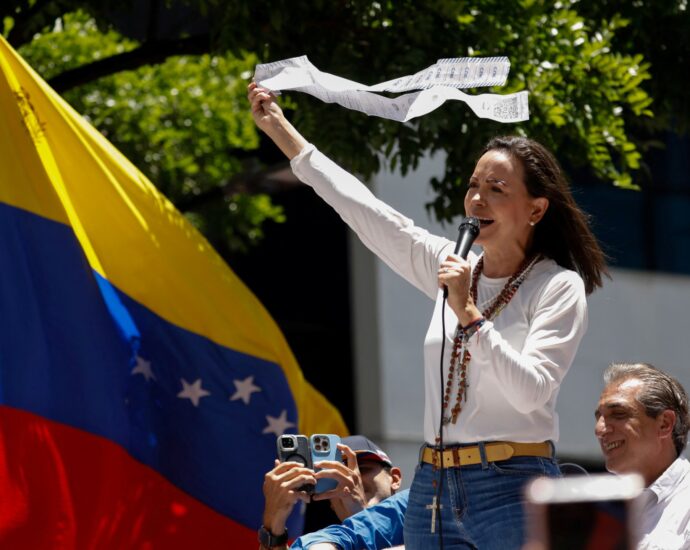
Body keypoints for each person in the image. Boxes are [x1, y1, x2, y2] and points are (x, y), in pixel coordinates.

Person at [248, 81, 607, 549]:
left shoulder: (556, 285)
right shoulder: (452, 267)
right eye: (473, 186)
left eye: (496, 189)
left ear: (536, 208)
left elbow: (531, 391)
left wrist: (470, 313)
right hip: (434, 485)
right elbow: (365, 210)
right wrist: (281, 131)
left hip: (511, 485)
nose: (477, 199)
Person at [595, 362, 690, 549]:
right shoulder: (603, 510)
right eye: (599, 417)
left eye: (619, 414)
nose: (599, 429)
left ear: (664, 424)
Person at [259, 435, 402, 549]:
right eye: (337, 475)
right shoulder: (318, 542)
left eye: (362, 468)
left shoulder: (421, 521)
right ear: (331, 501)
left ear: (394, 478)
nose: (353, 480)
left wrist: (360, 516)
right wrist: (273, 527)